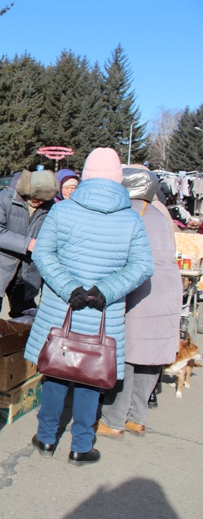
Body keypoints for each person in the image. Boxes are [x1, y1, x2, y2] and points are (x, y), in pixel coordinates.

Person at [25, 148, 154, 466]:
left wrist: (71, 288)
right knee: (90, 376)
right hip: (102, 313)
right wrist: (103, 292)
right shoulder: (131, 219)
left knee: (55, 371)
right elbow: (142, 267)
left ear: (85, 175)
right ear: (117, 179)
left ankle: (45, 438)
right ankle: (81, 446)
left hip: (62, 308)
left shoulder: (63, 211)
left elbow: (43, 254)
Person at [96, 166, 181, 437]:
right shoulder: (158, 212)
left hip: (140, 289)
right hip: (168, 288)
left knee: (127, 354)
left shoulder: (126, 212)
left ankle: (113, 420)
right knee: (151, 356)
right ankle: (138, 417)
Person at [0, 170, 58, 318]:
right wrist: (27, 243)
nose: (40, 201)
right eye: (37, 197)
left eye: (44, 199)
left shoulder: (51, 206)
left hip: (28, 272)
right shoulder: (4, 198)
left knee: (25, 315)